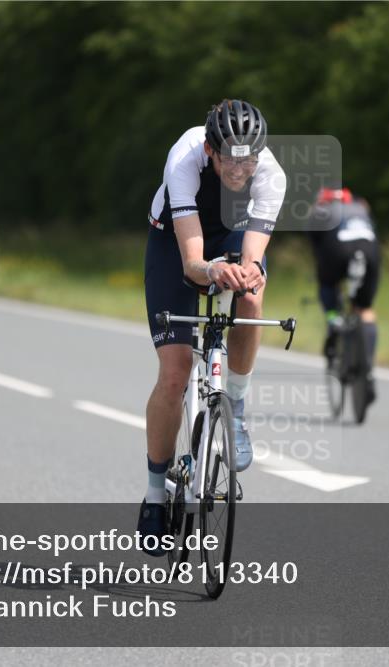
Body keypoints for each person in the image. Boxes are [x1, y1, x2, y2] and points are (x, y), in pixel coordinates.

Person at [138, 99, 286, 554]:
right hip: (177, 240)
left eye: (249, 158)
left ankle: (234, 409)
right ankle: (155, 493)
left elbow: (254, 255)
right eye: (230, 159)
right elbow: (192, 262)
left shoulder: (271, 175)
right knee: (176, 371)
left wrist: (249, 270)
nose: (240, 169)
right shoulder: (184, 159)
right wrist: (209, 271)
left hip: (234, 232)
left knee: (252, 292)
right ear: (210, 150)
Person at [308, 186, 381, 401]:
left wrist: (327, 280)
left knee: (327, 285)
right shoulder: (360, 207)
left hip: (337, 250)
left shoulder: (319, 211)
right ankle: (367, 366)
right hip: (370, 250)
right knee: (365, 309)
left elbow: (318, 252)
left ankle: (333, 319)